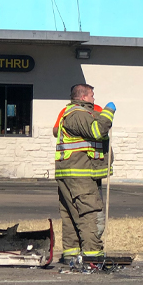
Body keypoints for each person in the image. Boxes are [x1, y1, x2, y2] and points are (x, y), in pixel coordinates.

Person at [55, 83, 115, 262]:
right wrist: (108, 113)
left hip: (71, 173)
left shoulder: (73, 114)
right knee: (90, 213)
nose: (94, 98)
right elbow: (96, 130)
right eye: (92, 95)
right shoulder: (77, 115)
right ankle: (92, 256)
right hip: (80, 174)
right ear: (82, 97)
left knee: (71, 214)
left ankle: (71, 255)